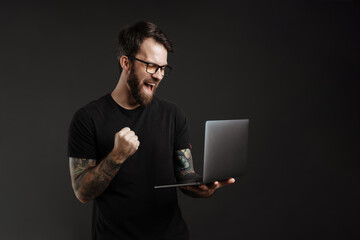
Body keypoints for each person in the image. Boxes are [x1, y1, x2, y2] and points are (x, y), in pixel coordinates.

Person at [68, 21, 235, 240]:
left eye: (163, 68)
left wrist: (202, 186)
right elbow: (82, 192)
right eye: (151, 66)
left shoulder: (174, 115)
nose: (158, 75)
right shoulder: (88, 118)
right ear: (126, 63)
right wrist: (117, 156)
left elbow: (185, 176)